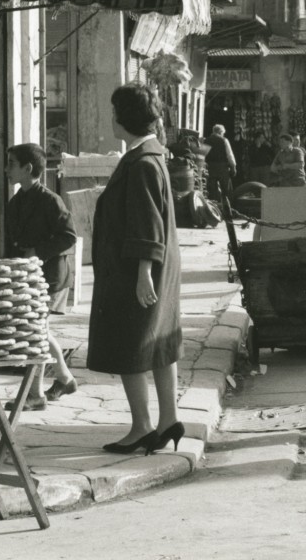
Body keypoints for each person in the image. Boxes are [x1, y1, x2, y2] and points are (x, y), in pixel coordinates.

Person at [88, 84, 184, 454]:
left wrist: (143, 272)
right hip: (153, 265)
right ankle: (169, 418)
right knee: (158, 341)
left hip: (137, 269)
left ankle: (143, 426)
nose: (111, 118)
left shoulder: (142, 162)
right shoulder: (150, 156)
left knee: (129, 342)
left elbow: (146, 222)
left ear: (124, 118)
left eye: (114, 112)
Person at [4, 143, 77, 409]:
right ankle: (64, 378)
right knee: (40, 331)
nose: (6, 170)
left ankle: (34, 395)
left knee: (35, 332)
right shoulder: (15, 203)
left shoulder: (50, 201)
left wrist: (39, 251)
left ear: (28, 168)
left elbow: (69, 236)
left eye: (11, 164)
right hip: (27, 277)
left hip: (50, 276)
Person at [203, 123, 237, 200]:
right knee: (226, 190)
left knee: (212, 191)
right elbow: (230, 155)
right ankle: (228, 207)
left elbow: (203, 156)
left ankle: (215, 207)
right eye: (223, 133)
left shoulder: (206, 140)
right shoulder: (224, 140)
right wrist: (233, 167)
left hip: (210, 167)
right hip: (222, 168)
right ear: (221, 132)